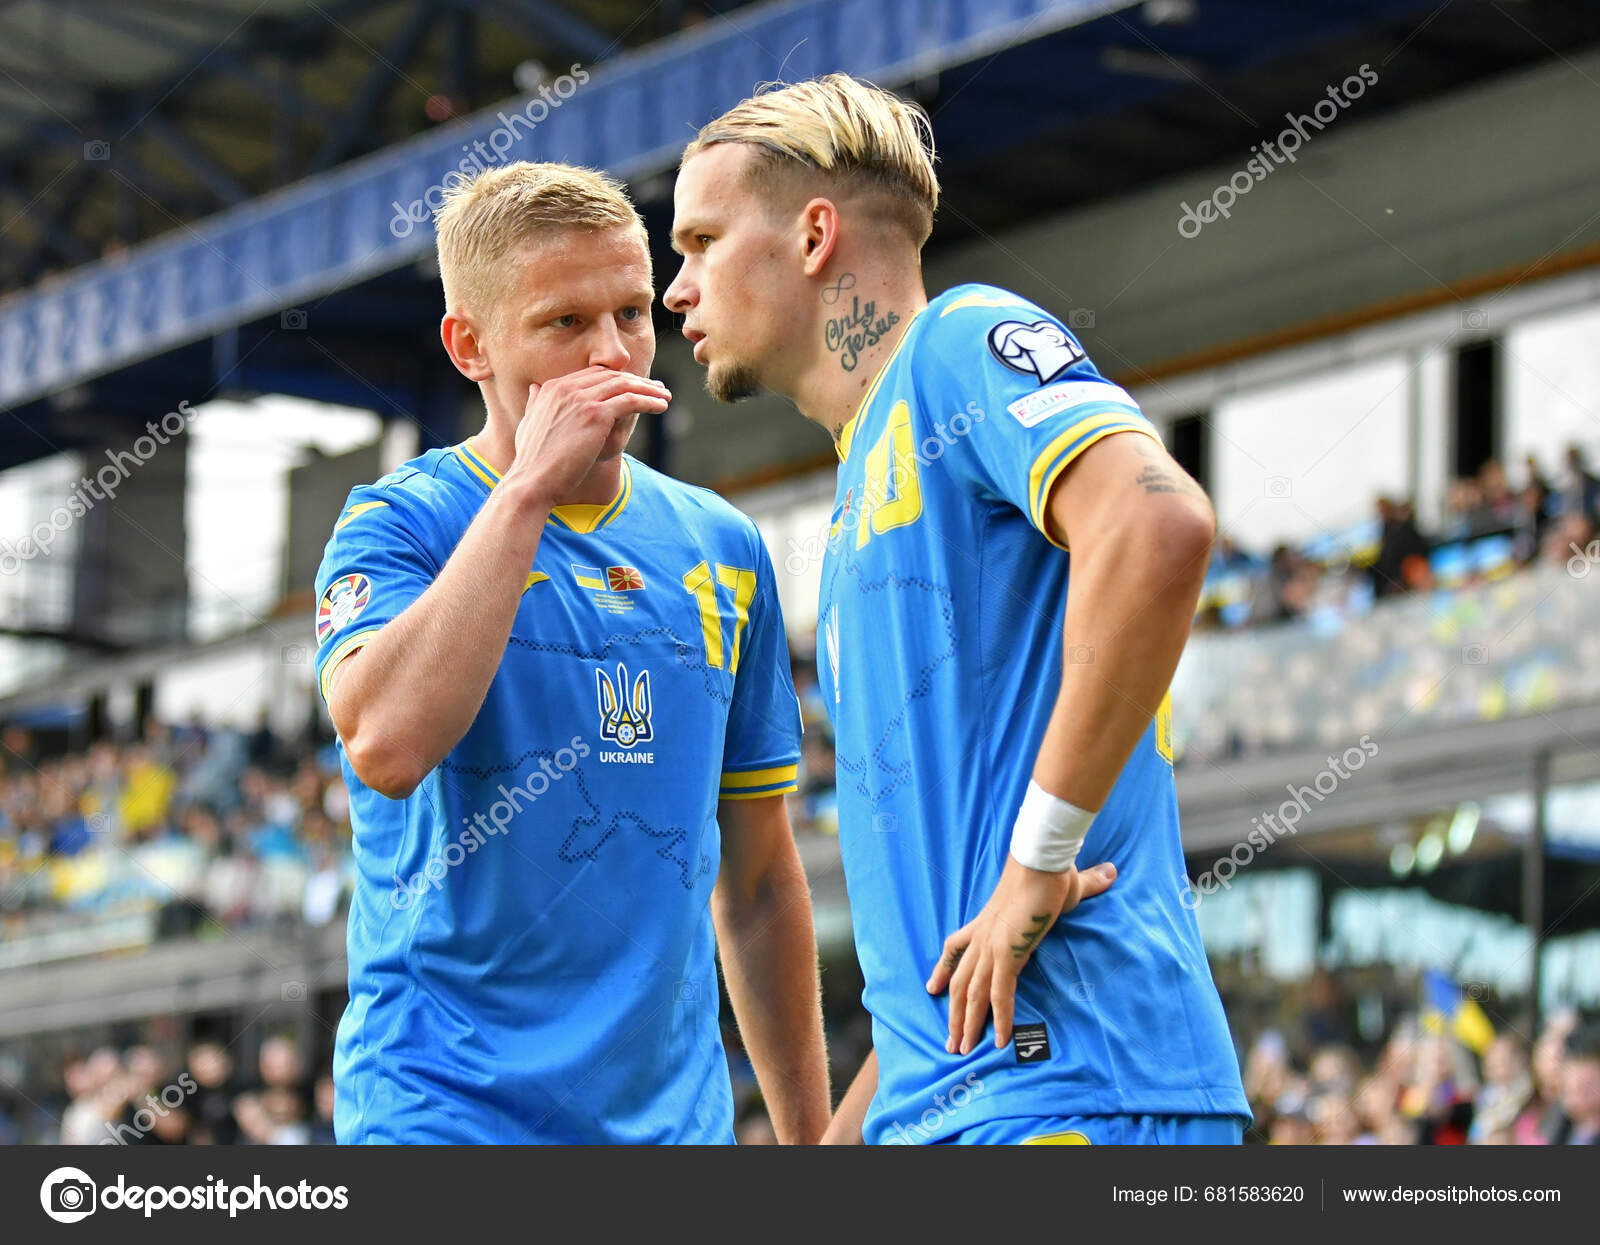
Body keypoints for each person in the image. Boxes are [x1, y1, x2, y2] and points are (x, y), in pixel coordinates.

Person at [664, 74, 1247, 1144]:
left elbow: (1159, 525)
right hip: (956, 1106)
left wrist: (1037, 859)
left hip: (1078, 1086)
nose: (675, 289)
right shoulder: (855, 500)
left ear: (812, 236)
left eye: (699, 242)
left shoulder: (958, 341)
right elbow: (942, 955)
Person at [315, 162, 829, 1143]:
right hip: (444, 1119)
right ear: (468, 345)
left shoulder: (722, 546)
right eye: (563, 324)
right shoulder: (401, 524)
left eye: (632, 312)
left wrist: (810, 1142)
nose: (614, 353)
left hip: (674, 1132)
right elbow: (383, 745)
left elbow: (758, 882)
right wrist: (525, 497)